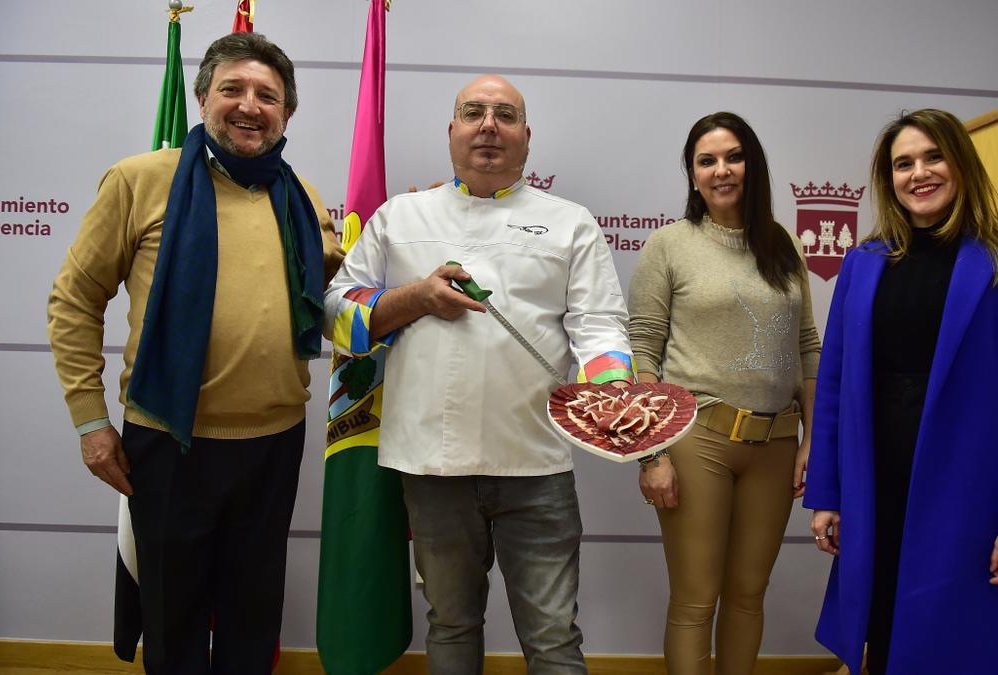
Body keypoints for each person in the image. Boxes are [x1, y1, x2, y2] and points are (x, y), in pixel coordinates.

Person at [47, 32, 344, 674]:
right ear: (202, 97)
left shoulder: (302, 198)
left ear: (286, 113)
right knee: (173, 617)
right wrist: (91, 421)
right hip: (169, 441)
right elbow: (75, 301)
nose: (249, 105)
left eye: (268, 95)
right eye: (233, 89)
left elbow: (331, 300)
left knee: (252, 613)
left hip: (274, 441)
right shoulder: (139, 181)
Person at [323, 74, 634, 675]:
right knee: (452, 625)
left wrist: (610, 391)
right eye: (474, 112)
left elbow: (599, 327)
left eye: (505, 115)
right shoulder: (398, 217)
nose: (489, 125)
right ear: (451, 132)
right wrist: (413, 297)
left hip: (536, 466)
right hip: (430, 468)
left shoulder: (571, 223)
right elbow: (336, 316)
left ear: (526, 138)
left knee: (552, 638)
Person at [803, 108, 998, 675]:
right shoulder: (863, 263)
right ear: (888, 178)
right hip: (878, 484)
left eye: (932, 156)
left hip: (971, 494)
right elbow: (835, 386)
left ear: (960, 164)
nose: (918, 173)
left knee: (962, 647)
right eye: (903, 163)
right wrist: (828, 492)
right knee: (883, 634)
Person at [627, 111, 821, 674]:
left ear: (752, 165)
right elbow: (644, 350)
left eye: (733, 157)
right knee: (694, 601)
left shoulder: (784, 245)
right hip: (695, 442)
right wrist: (652, 453)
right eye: (706, 161)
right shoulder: (668, 245)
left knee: (747, 596)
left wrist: (815, 439)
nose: (721, 171)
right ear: (691, 174)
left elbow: (807, 345)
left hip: (779, 443)